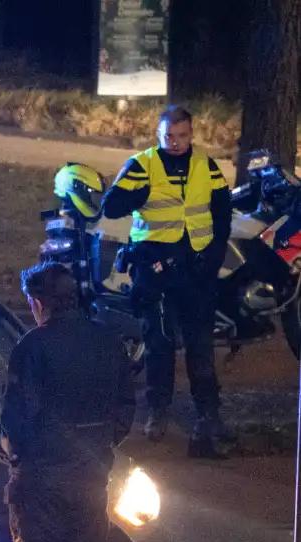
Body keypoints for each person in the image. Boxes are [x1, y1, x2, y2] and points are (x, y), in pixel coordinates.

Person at [0, 262, 136, 542]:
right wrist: (99, 443)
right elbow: (125, 405)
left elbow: (16, 419)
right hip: (91, 481)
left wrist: (19, 455)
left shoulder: (32, 347)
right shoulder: (107, 342)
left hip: (42, 486)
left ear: (39, 303)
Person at [101, 105, 233, 459]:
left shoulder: (206, 165)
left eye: (182, 136)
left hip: (196, 270)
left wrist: (216, 254)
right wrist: (140, 194)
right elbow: (111, 206)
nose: (175, 143)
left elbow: (222, 212)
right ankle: (157, 413)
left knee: (200, 345)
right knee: (158, 344)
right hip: (155, 268)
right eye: (168, 137)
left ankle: (208, 414)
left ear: (192, 134)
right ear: (158, 136)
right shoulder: (142, 164)